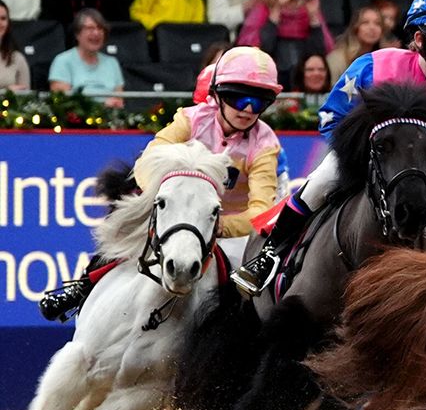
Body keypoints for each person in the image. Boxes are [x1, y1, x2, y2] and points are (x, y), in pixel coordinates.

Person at [233, 0, 426, 295]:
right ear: (419, 39)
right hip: (360, 164)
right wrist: (364, 163)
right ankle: (269, 255)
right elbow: (332, 118)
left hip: (421, 181)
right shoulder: (374, 66)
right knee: (319, 184)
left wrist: (418, 179)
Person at [39, 45, 283, 321]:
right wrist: (160, 195)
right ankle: (84, 285)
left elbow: (260, 214)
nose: (249, 109)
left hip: (227, 228)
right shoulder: (189, 119)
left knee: (250, 287)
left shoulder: (265, 145)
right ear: (217, 94)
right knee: (124, 230)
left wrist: (215, 226)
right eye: (239, 98)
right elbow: (149, 160)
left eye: (260, 101)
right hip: (176, 213)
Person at [237, 0, 333, 76]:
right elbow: (261, 49)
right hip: (271, 71)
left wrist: (313, 15)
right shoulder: (264, 8)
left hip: (303, 75)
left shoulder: (308, 8)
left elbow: (320, 52)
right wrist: (277, 9)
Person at [49, 9, 123, 105]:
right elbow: (61, 103)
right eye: (90, 28)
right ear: (77, 34)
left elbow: (119, 101)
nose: (96, 33)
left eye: (100, 28)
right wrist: (102, 105)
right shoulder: (62, 61)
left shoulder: (112, 63)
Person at [327, 5, 387, 79]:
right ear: (355, 27)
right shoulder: (337, 59)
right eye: (365, 22)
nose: (372, 28)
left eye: (377, 23)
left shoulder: (384, 59)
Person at [0, 0, 28, 89]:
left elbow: (26, 97)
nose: (0, 23)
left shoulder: (17, 58)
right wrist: (6, 92)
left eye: (3, 18)